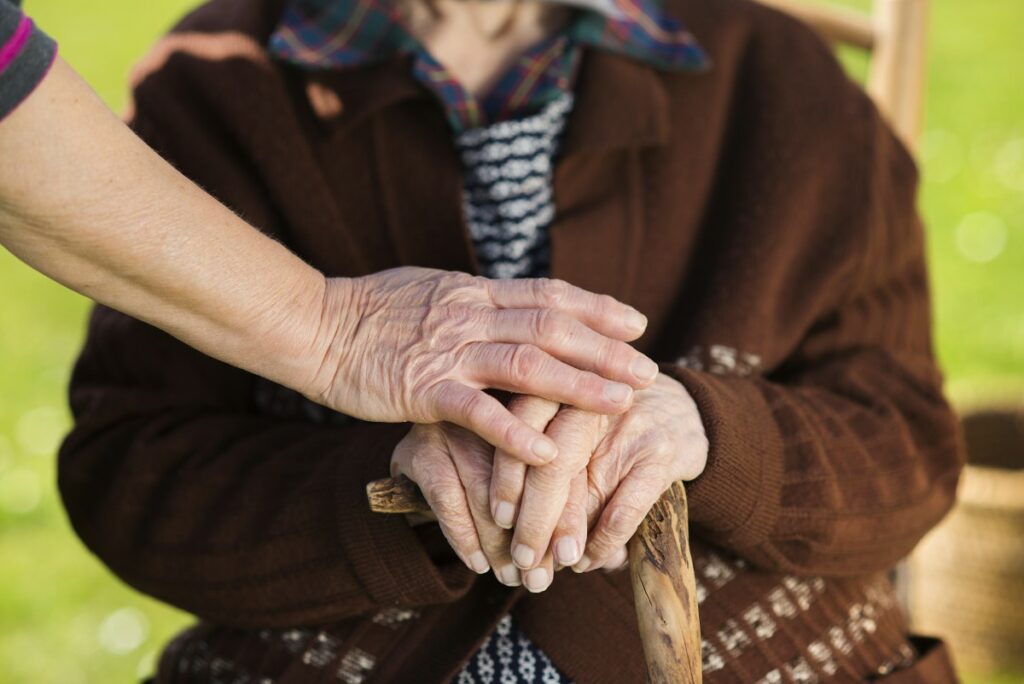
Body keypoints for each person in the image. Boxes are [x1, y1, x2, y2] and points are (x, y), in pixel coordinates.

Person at [58, 0, 964, 681]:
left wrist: (703, 430)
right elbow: (133, 471)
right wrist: (393, 484)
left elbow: (907, 446)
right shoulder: (214, 90)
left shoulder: (783, 81)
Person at [0, 0, 660, 464]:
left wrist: (710, 430)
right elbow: (131, 455)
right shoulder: (210, 80)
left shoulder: (756, 62)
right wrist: (336, 342)